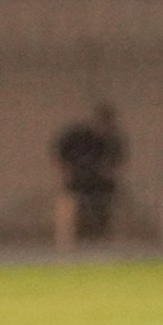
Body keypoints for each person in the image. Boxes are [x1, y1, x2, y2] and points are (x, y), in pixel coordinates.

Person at [52, 103, 125, 246]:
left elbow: (115, 163)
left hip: (101, 185)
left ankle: (100, 236)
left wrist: (109, 172)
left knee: (102, 209)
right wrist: (65, 171)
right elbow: (62, 153)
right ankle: (75, 237)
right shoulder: (78, 137)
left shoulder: (112, 141)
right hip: (78, 182)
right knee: (76, 208)